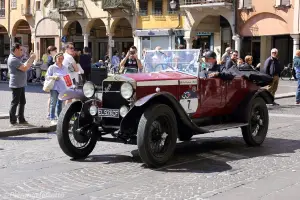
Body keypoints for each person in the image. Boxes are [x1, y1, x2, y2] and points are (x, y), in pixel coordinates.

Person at [8, 43, 36, 126]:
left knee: (22, 102)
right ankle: (13, 121)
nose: (22, 51)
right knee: (15, 103)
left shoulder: (16, 58)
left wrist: (31, 59)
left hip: (20, 83)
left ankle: (21, 119)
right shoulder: (13, 59)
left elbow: (24, 65)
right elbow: (24, 68)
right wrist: (31, 59)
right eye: (20, 49)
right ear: (16, 50)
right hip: (16, 84)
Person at [45, 53, 69, 125]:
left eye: (62, 58)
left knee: (60, 104)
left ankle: (59, 118)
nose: (60, 60)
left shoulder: (65, 68)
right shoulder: (52, 67)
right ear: (55, 59)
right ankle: (52, 118)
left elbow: (67, 77)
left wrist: (70, 86)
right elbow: (47, 76)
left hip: (62, 88)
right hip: (54, 88)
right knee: (53, 103)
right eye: (59, 58)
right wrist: (53, 77)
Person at [46, 46, 57, 119]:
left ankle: (49, 113)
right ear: (51, 51)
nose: (56, 52)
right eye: (55, 51)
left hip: (53, 79)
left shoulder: (52, 58)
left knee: (51, 97)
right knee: (51, 97)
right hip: (51, 80)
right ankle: (49, 113)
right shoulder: (50, 58)